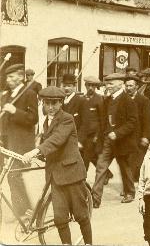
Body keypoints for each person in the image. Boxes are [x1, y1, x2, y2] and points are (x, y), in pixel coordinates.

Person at [22, 86, 92, 245]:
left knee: (81, 215)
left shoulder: (67, 118)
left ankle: (88, 243)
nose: (51, 107)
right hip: (55, 176)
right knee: (60, 219)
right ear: (43, 104)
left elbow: (57, 140)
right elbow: (45, 143)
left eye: (55, 103)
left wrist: (35, 151)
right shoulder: (46, 121)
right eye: (47, 103)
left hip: (72, 174)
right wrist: (35, 155)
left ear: (61, 103)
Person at [92, 72, 138, 207]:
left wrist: (117, 133)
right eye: (107, 83)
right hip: (107, 141)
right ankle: (95, 199)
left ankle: (129, 192)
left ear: (120, 84)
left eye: (111, 84)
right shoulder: (107, 100)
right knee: (101, 167)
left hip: (122, 141)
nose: (108, 86)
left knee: (124, 167)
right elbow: (103, 121)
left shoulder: (128, 100)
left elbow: (132, 122)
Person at [0, 63, 37, 220]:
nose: (8, 79)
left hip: (20, 143)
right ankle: (21, 211)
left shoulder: (29, 94)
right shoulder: (5, 95)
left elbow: (33, 119)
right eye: (7, 76)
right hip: (5, 141)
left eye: (12, 76)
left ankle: (25, 211)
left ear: (21, 77)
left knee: (14, 176)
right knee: (6, 176)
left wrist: (15, 111)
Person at [126, 75, 150, 182]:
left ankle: (131, 185)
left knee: (136, 161)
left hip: (139, 136)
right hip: (126, 136)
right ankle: (130, 184)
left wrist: (146, 136)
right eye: (127, 86)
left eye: (131, 86)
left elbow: (148, 121)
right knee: (128, 161)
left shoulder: (143, 100)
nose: (128, 88)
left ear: (136, 86)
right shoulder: (122, 100)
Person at [79, 76, 109, 176]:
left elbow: (102, 120)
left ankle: (83, 178)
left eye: (93, 86)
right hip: (83, 134)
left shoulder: (99, 100)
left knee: (86, 158)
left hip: (93, 135)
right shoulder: (82, 99)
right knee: (90, 156)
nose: (91, 88)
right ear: (85, 85)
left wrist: (98, 135)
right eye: (89, 85)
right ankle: (107, 173)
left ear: (96, 87)